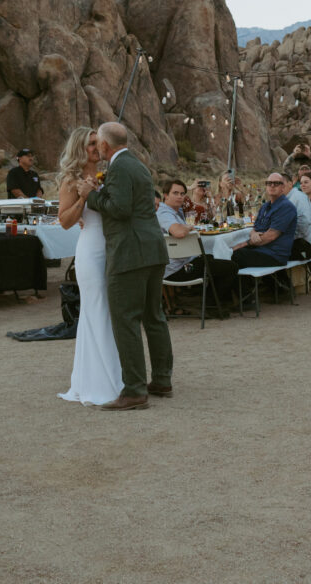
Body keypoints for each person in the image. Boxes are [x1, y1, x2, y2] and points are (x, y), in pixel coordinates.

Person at [78, 122, 173, 411]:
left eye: (99, 144)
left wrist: (89, 195)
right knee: (154, 316)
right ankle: (161, 379)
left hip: (129, 253)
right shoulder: (140, 165)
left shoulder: (118, 168)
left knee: (126, 319)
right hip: (153, 250)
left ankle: (133, 390)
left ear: (105, 146)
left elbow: (120, 209)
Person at [57, 127, 124, 407]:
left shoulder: (109, 174)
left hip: (113, 249)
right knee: (96, 310)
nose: (98, 147)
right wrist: (85, 198)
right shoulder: (71, 181)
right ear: (80, 149)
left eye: (98, 142)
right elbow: (65, 220)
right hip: (91, 251)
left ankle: (115, 378)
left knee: (110, 311)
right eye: (91, 144)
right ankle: (102, 384)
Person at [157, 179, 238, 305]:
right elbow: (178, 232)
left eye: (182, 194)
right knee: (230, 267)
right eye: (175, 193)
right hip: (176, 269)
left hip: (184, 262)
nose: (180, 197)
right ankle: (212, 305)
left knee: (214, 257)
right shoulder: (163, 212)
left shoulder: (174, 210)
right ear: (166, 195)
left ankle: (216, 301)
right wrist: (189, 227)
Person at [230, 172, 297, 269]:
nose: (272, 186)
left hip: (274, 255)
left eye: (276, 183)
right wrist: (253, 234)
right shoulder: (265, 206)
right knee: (226, 253)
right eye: (269, 183)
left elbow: (270, 236)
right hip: (260, 249)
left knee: (234, 255)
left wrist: (244, 244)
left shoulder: (286, 207)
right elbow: (255, 227)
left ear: (283, 187)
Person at [284, 168, 311, 253]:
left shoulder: (298, 198)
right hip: (298, 242)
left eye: (281, 184)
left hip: (304, 245)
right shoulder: (287, 198)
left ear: (290, 184)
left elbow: (305, 223)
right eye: (301, 183)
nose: (278, 187)